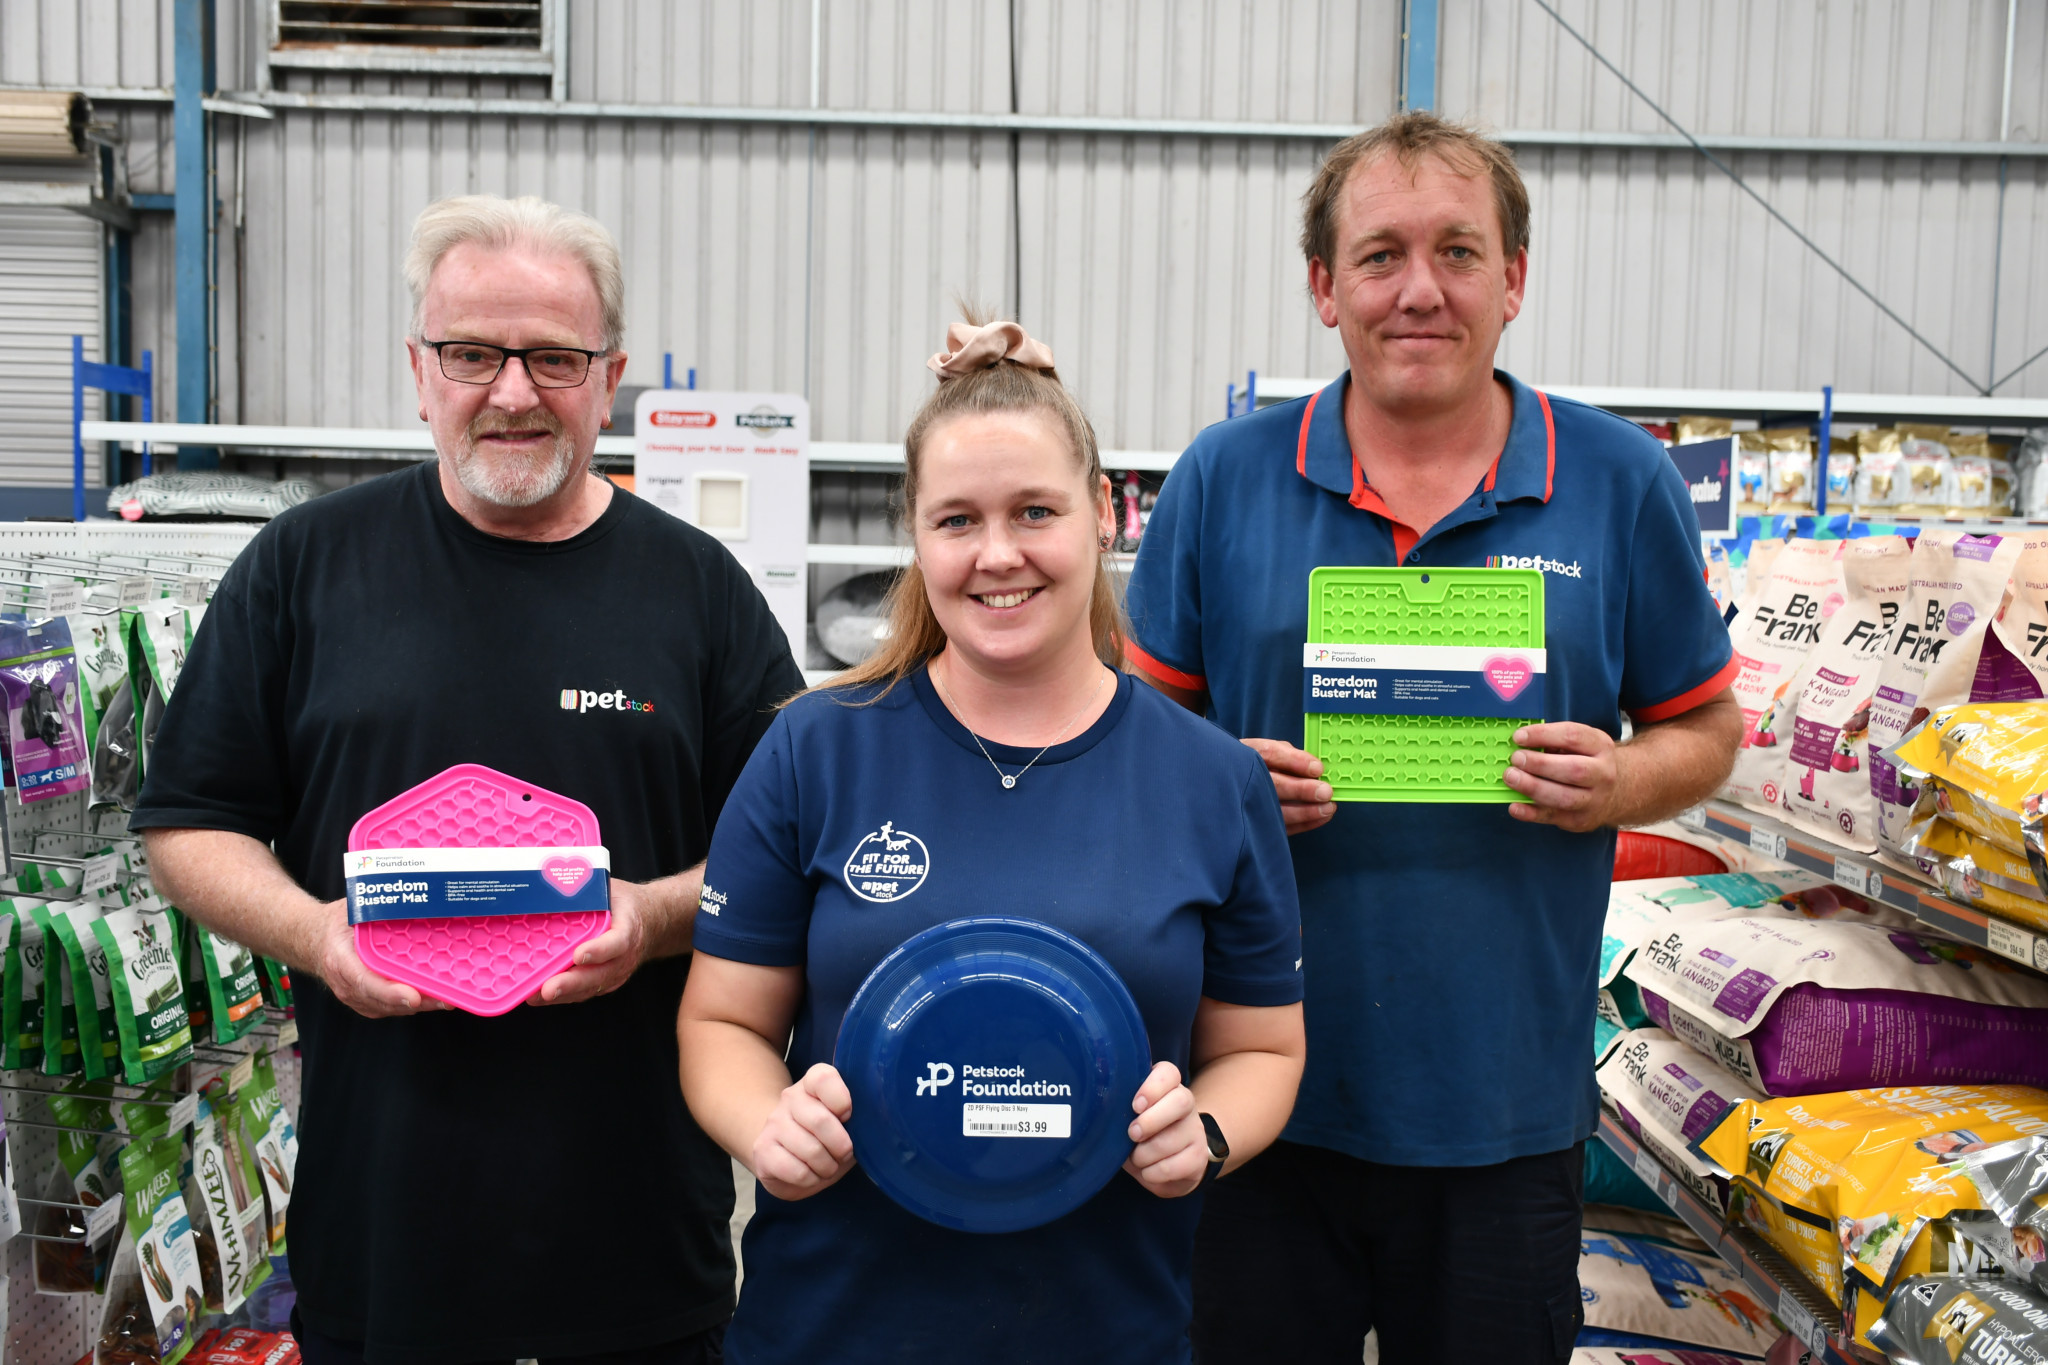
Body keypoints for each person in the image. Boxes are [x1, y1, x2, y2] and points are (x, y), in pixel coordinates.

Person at [132, 194, 804, 1365]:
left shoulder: (698, 594)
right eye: (471, 354)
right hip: (388, 1247)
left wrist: (647, 916)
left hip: (637, 1250)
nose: (510, 391)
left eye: (553, 357)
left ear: (610, 377)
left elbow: (794, 858)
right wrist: (315, 934)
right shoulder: (305, 566)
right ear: (419, 368)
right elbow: (190, 825)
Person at [1123, 113, 1744, 1364]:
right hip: (1252, 1097)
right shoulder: (1223, 477)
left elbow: (1710, 728)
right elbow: (1130, 734)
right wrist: (1215, 783)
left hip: (1500, 1114)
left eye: (1458, 252)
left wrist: (1618, 776)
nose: (1419, 291)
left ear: (1512, 279)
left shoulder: (1619, 482)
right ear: (1322, 287)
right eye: (1378, 256)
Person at [675, 320, 1308, 1365]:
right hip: (833, 1327)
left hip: (1104, 1330)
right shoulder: (814, 749)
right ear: (916, 539)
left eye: (1035, 512)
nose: (996, 554)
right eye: (956, 520)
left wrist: (1201, 1136)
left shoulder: (1209, 779)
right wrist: (762, 1127)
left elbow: (1261, 1047)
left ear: (1101, 517)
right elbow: (719, 1023)